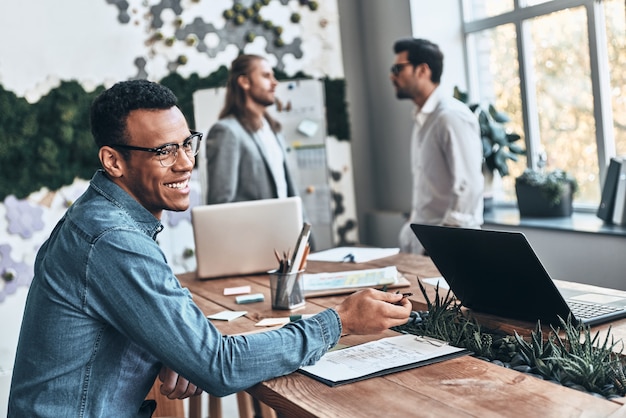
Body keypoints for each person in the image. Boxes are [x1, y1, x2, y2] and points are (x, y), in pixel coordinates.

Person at [7, 79, 412, 417]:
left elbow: (185, 342)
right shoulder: (113, 239)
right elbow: (220, 366)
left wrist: (172, 346)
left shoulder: (96, 216)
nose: (185, 163)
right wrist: (340, 321)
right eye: (164, 151)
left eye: (187, 144)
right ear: (113, 161)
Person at [390, 37, 484, 254]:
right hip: (424, 246)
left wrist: (441, 242)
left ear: (422, 70)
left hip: (451, 247)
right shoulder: (423, 118)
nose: (392, 76)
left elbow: (468, 187)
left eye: (398, 68)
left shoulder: (450, 116)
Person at [205, 54, 297, 204]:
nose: (275, 83)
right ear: (245, 82)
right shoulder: (226, 131)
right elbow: (220, 203)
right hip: (253, 227)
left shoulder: (273, 129)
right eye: (266, 76)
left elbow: (288, 190)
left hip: (284, 226)